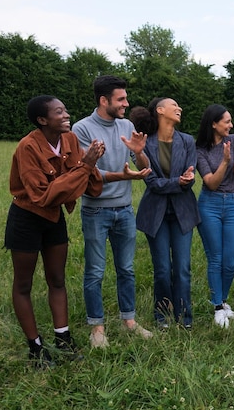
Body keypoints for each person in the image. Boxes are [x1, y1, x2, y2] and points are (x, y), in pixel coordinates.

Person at [6, 95, 104, 368]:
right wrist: (86, 165)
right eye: (59, 112)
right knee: (23, 284)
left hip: (53, 218)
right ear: (42, 120)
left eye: (65, 110)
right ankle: (35, 348)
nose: (66, 115)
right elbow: (42, 195)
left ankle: (63, 340)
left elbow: (87, 184)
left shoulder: (70, 139)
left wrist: (90, 164)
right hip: (26, 217)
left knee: (57, 279)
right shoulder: (28, 147)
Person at [73, 75, 154, 348]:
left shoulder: (127, 124)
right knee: (95, 271)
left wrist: (140, 153)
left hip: (125, 210)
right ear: (103, 100)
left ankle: (129, 321)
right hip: (96, 211)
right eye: (121, 99)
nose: (126, 103)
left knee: (127, 269)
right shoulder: (82, 129)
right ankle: (97, 328)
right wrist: (123, 176)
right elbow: (89, 173)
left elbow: (142, 166)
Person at [130, 98, 200, 329]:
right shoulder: (144, 143)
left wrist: (185, 181)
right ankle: (162, 317)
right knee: (162, 269)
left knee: (182, 268)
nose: (179, 107)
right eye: (174, 105)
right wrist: (177, 182)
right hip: (155, 214)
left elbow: (189, 180)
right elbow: (150, 181)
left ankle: (184, 317)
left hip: (183, 212)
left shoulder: (188, 141)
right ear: (160, 111)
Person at [195, 104, 234, 329]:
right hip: (210, 205)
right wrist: (225, 160)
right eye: (226, 121)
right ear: (214, 124)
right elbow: (212, 183)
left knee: (230, 260)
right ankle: (217, 307)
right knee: (215, 258)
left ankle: (222, 300)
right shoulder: (200, 150)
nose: (231, 125)